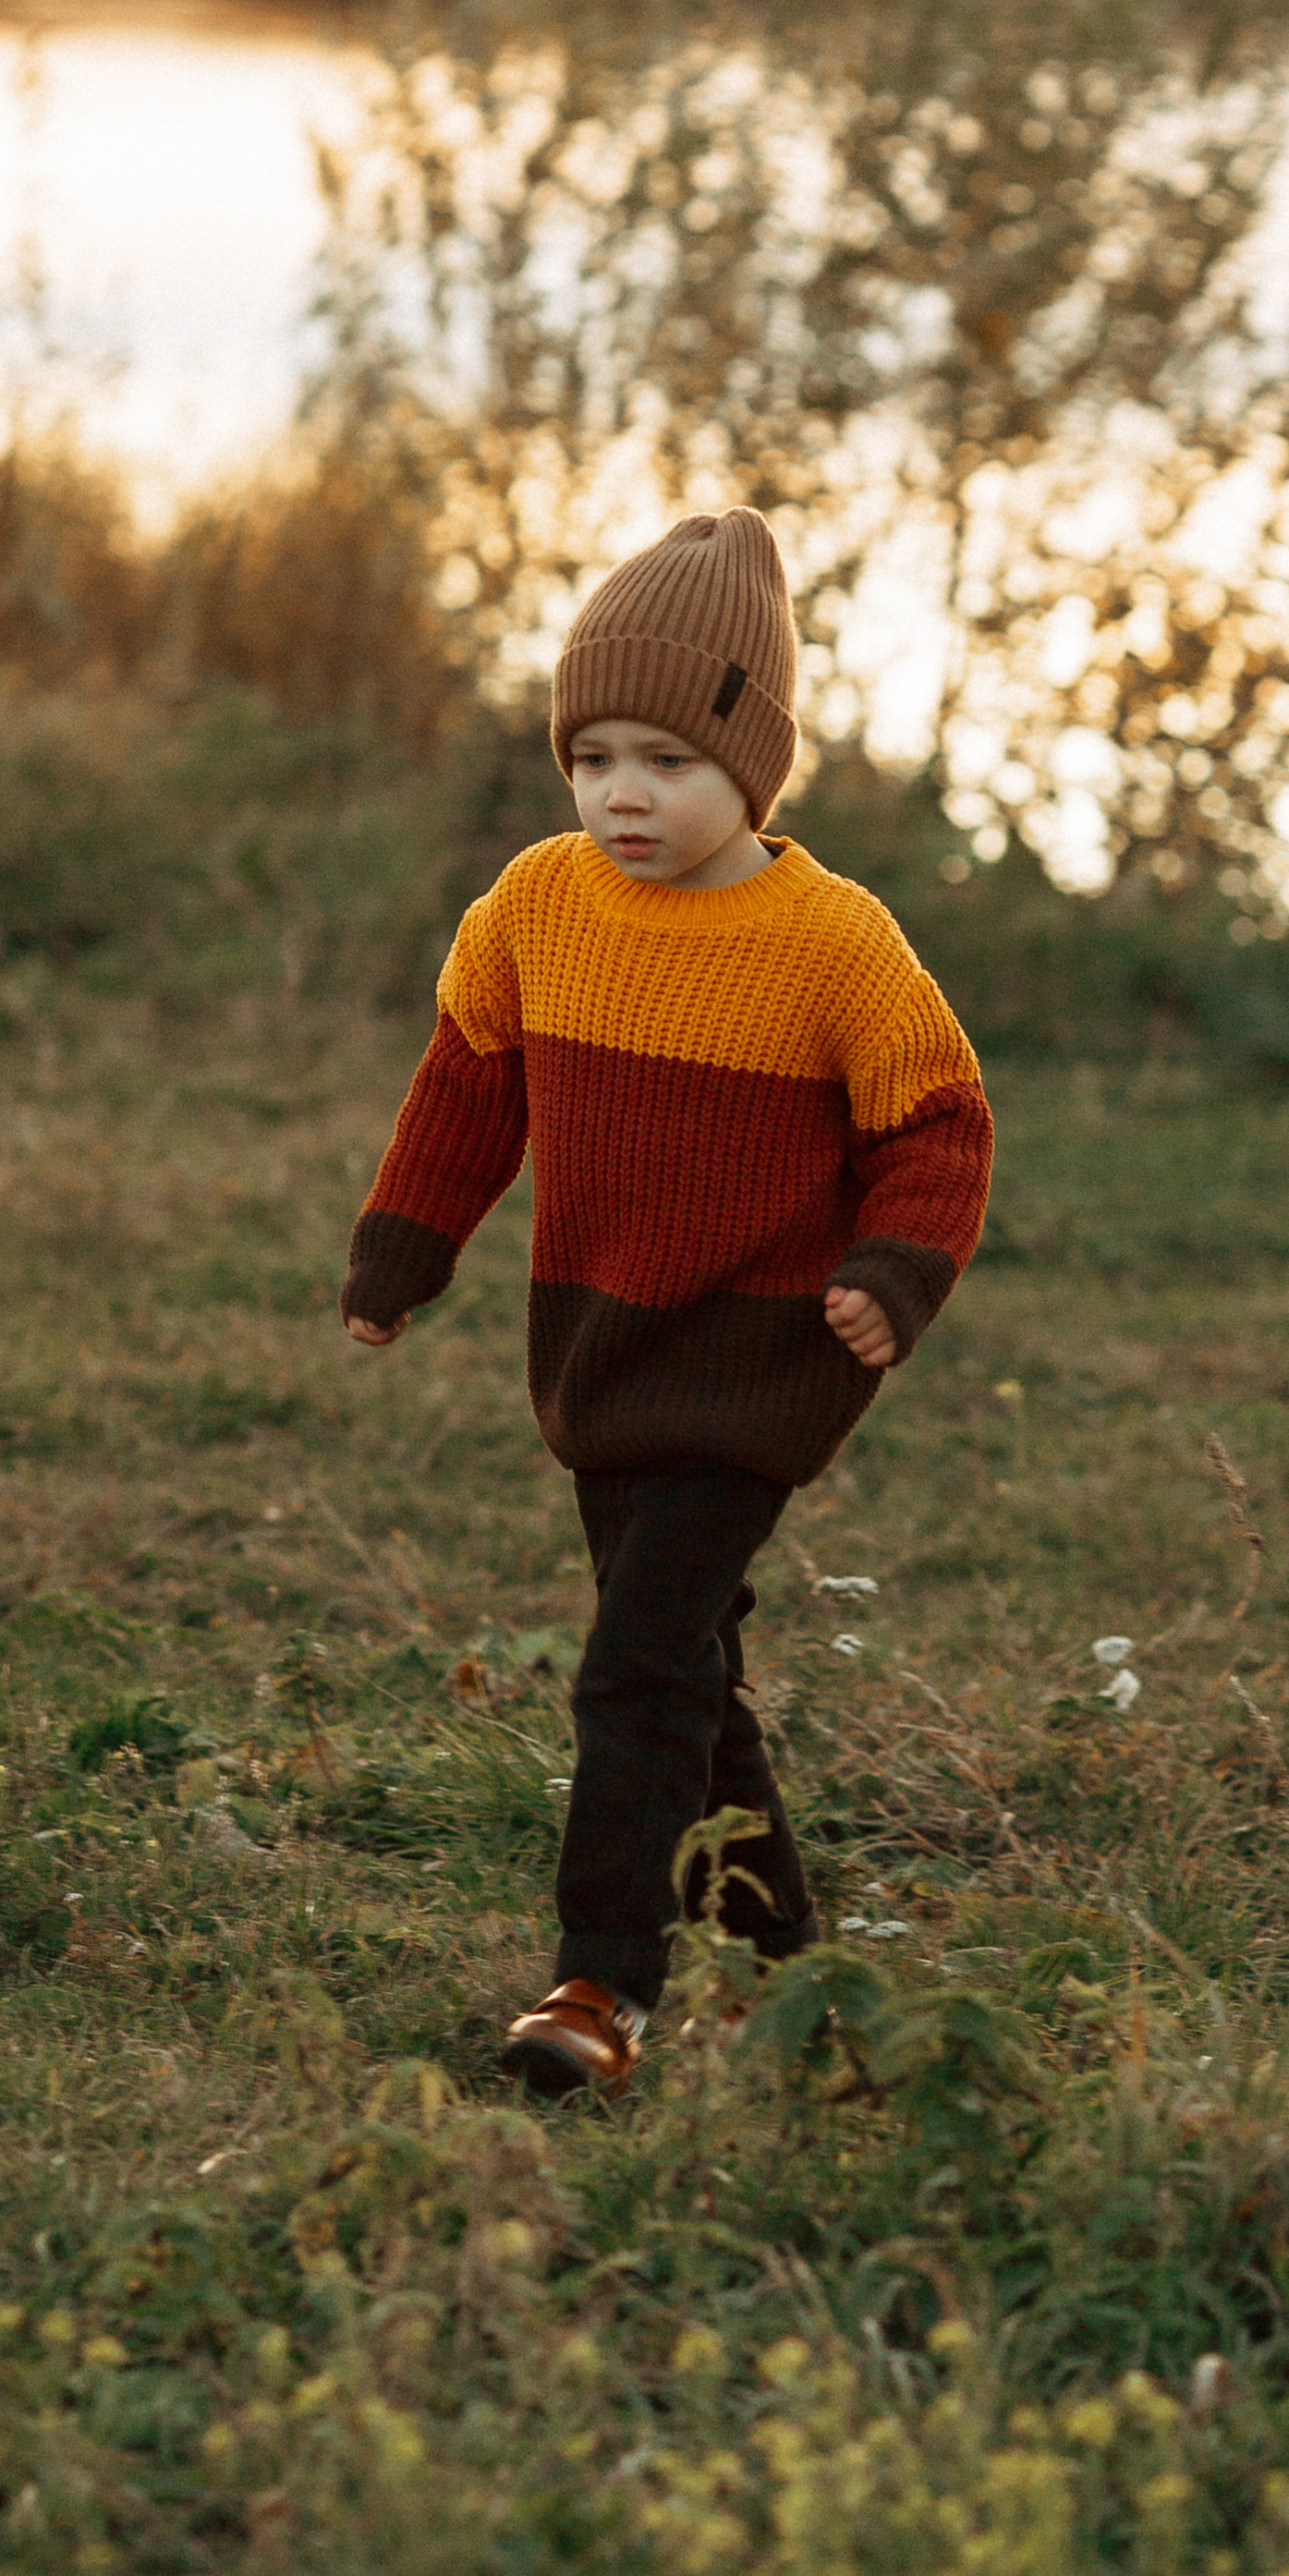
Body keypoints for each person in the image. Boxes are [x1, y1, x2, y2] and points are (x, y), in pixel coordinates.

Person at [341, 508, 993, 2096]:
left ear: (754, 769)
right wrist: (402, 1250)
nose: (624, 795)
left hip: (761, 1357)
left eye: (671, 762)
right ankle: (803, 1981)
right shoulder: (536, 908)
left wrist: (891, 1275)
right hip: (600, 1349)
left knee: (635, 1665)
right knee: (692, 1679)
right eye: (593, 757)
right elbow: (465, 1089)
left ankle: (602, 1986)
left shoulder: (832, 942)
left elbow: (937, 1123)